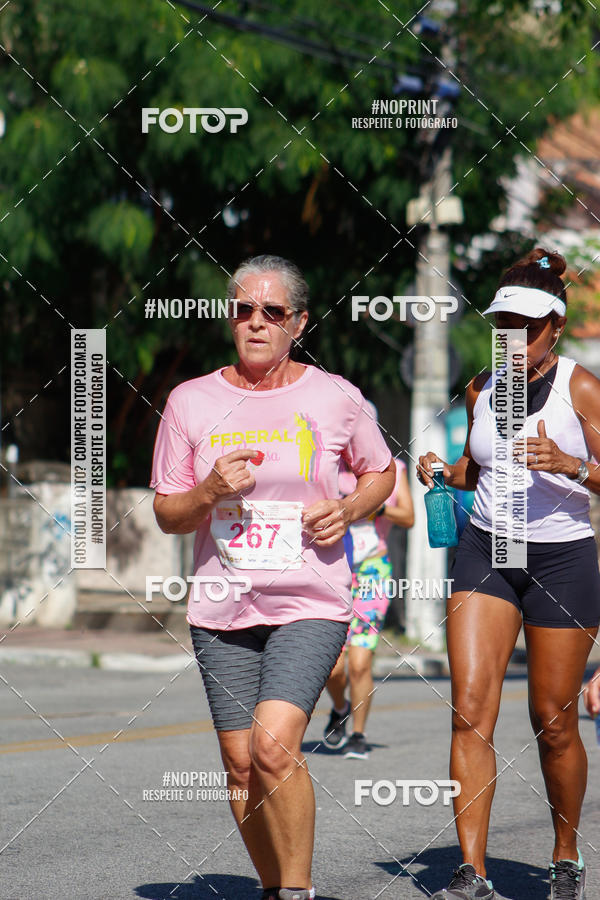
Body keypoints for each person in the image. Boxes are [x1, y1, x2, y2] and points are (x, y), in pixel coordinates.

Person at [150, 254, 395, 900]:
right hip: (222, 610)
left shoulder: (334, 396)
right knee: (238, 765)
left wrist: (346, 510)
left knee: (273, 748)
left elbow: (382, 473)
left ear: (299, 322)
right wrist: (206, 491)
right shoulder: (191, 401)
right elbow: (168, 515)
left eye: (273, 312)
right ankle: (272, 887)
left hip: (311, 599)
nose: (255, 322)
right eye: (243, 310)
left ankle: (298, 890)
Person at [417, 248, 600, 900]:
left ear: (556, 324)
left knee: (553, 719)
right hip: (488, 549)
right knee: (469, 711)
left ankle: (565, 851)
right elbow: (480, 467)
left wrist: (573, 466)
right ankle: (474, 873)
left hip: (562, 558)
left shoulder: (583, 389)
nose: (511, 339)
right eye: (503, 325)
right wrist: (444, 471)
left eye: (525, 326)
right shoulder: (483, 388)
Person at [323, 439, 414, 759]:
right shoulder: (325, 466)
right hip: (330, 568)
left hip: (373, 570)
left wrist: (379, 508)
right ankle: (339, 708)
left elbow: (408, 516)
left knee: (360, 663)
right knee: (332, 667)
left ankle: (358, 733)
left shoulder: (392, 469)